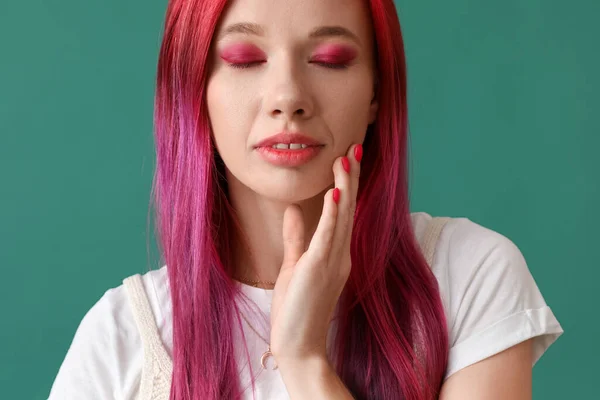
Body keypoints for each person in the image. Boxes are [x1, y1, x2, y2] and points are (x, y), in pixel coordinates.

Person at [48, 0, 563, 399]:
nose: (287, 95)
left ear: (376, 92)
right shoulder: (122, 337)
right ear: (194, 88)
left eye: (329, 60)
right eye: (245, 59)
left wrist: (304, 361)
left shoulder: (469, 274)